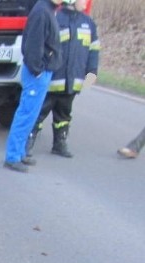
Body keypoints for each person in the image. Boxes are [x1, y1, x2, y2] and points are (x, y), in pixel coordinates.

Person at [27, 0, 100, 159]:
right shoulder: (55, 18)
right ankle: (27, 143)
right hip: (53, 79)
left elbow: (93, 50)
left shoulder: (88, 23)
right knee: (39, 113)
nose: (85, 3)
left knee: (64, 114)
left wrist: (92, 72)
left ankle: (59, 144)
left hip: (72, 81)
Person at [4, 0, 65, 173]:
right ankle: (12, 157)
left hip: (43, 71)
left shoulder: (48, 10)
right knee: (25, 114)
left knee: (31, 115)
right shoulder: (41, 12)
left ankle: (20, 152)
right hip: (37, 72)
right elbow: (33, 46)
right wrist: (37, 70)